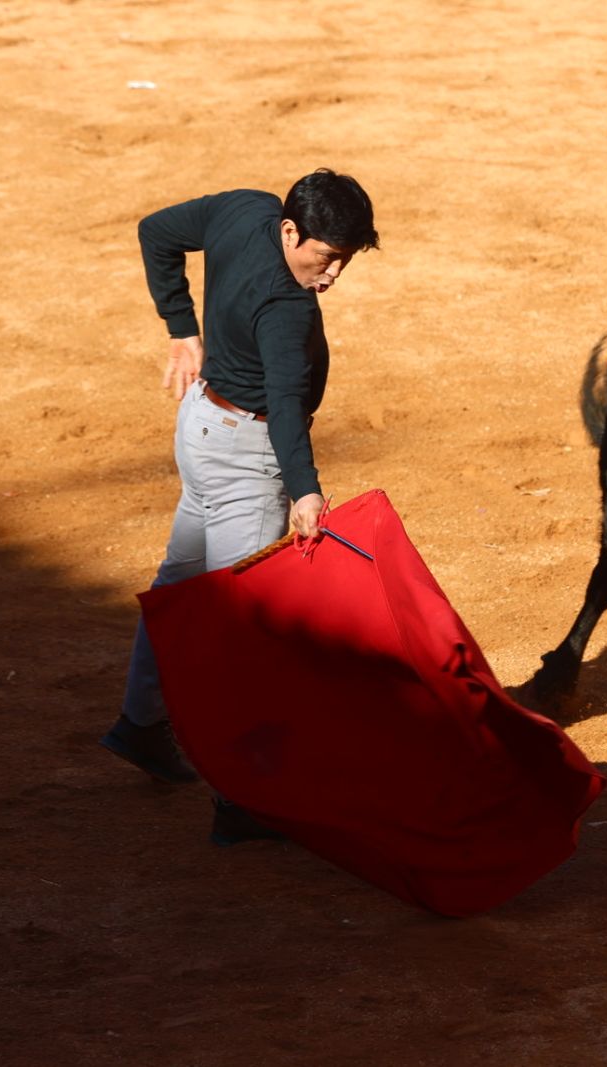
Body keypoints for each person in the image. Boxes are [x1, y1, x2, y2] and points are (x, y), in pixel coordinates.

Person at [98, 170, 379, 843]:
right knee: (243, 633)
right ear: (291, 230)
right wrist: (305, 488)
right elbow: (286, 410)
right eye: (325, 256)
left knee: (181, 584)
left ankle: (141, 721)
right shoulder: (287, 309)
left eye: (344, 260)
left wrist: (180, 329)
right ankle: (242, 797)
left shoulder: (244, 209)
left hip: (200, 428)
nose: (332, 274)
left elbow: (156, 233)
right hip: (247, 461)